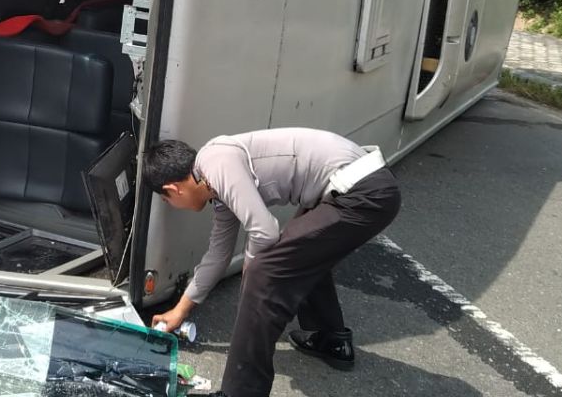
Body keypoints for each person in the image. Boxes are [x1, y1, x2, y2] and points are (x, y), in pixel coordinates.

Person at [144, 128, 401, 397]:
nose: (171, 204)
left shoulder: (215, 163)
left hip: (363, 192)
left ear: (173, 189)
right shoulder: (215, 184)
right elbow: (218, 255)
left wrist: (254, 280)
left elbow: (265, 231)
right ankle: (331, 339)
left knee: (265, 270)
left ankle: (241, 392)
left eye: (166, 200)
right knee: (298, 253)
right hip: (360, 189)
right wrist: (180, 310)